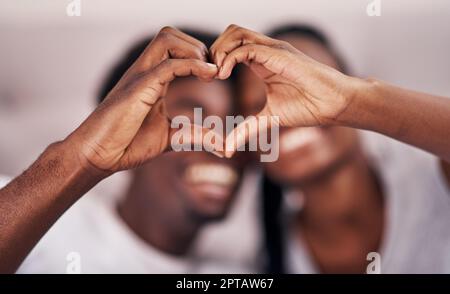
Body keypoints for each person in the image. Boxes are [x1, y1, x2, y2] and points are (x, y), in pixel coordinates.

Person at [1, 23, 450, 273]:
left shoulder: (239, 272)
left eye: (237, 124)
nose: (220, 142)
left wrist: (354, 99)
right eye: (194, 117)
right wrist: (81, 158)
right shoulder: (38, 217)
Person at [237, 24, 450, 273]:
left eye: (303, 90)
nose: (289, 116)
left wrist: (352, 102)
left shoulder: (433, 180)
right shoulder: (257, 253)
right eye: (258, 105)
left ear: (353, 85)